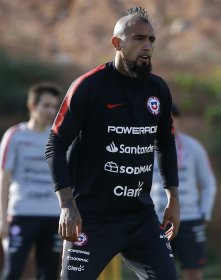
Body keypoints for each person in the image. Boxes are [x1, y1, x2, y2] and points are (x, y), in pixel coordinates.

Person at [45, 6, 179, 280]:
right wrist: (67, 205)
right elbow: (55, 144)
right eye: (139, 39)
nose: (147, 46)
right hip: (91, 219)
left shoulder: (158, 89)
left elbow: (165, 143)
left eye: (151, 40)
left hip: (140, 218)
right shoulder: (88, 87)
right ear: (117, 43)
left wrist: (172, 198)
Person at [0, 82, 62, 280]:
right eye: (46, 105)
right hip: (21, 214)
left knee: (49, 274)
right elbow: (4, 178)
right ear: (32, 105)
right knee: (13, 272)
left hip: (53, 216)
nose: (51, 111)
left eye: (54, 106)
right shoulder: (15, 136)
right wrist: (2, 218)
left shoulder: (58, 138)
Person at [151, 104, 217, 280]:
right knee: (158, 273)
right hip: (157, 218)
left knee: (193, 271)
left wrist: (205, 213)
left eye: (173, 118)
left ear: (179, 120)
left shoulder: (193, 147)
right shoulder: (147, 147)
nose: (169, 122)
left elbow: (208, 182)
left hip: (190, 217)